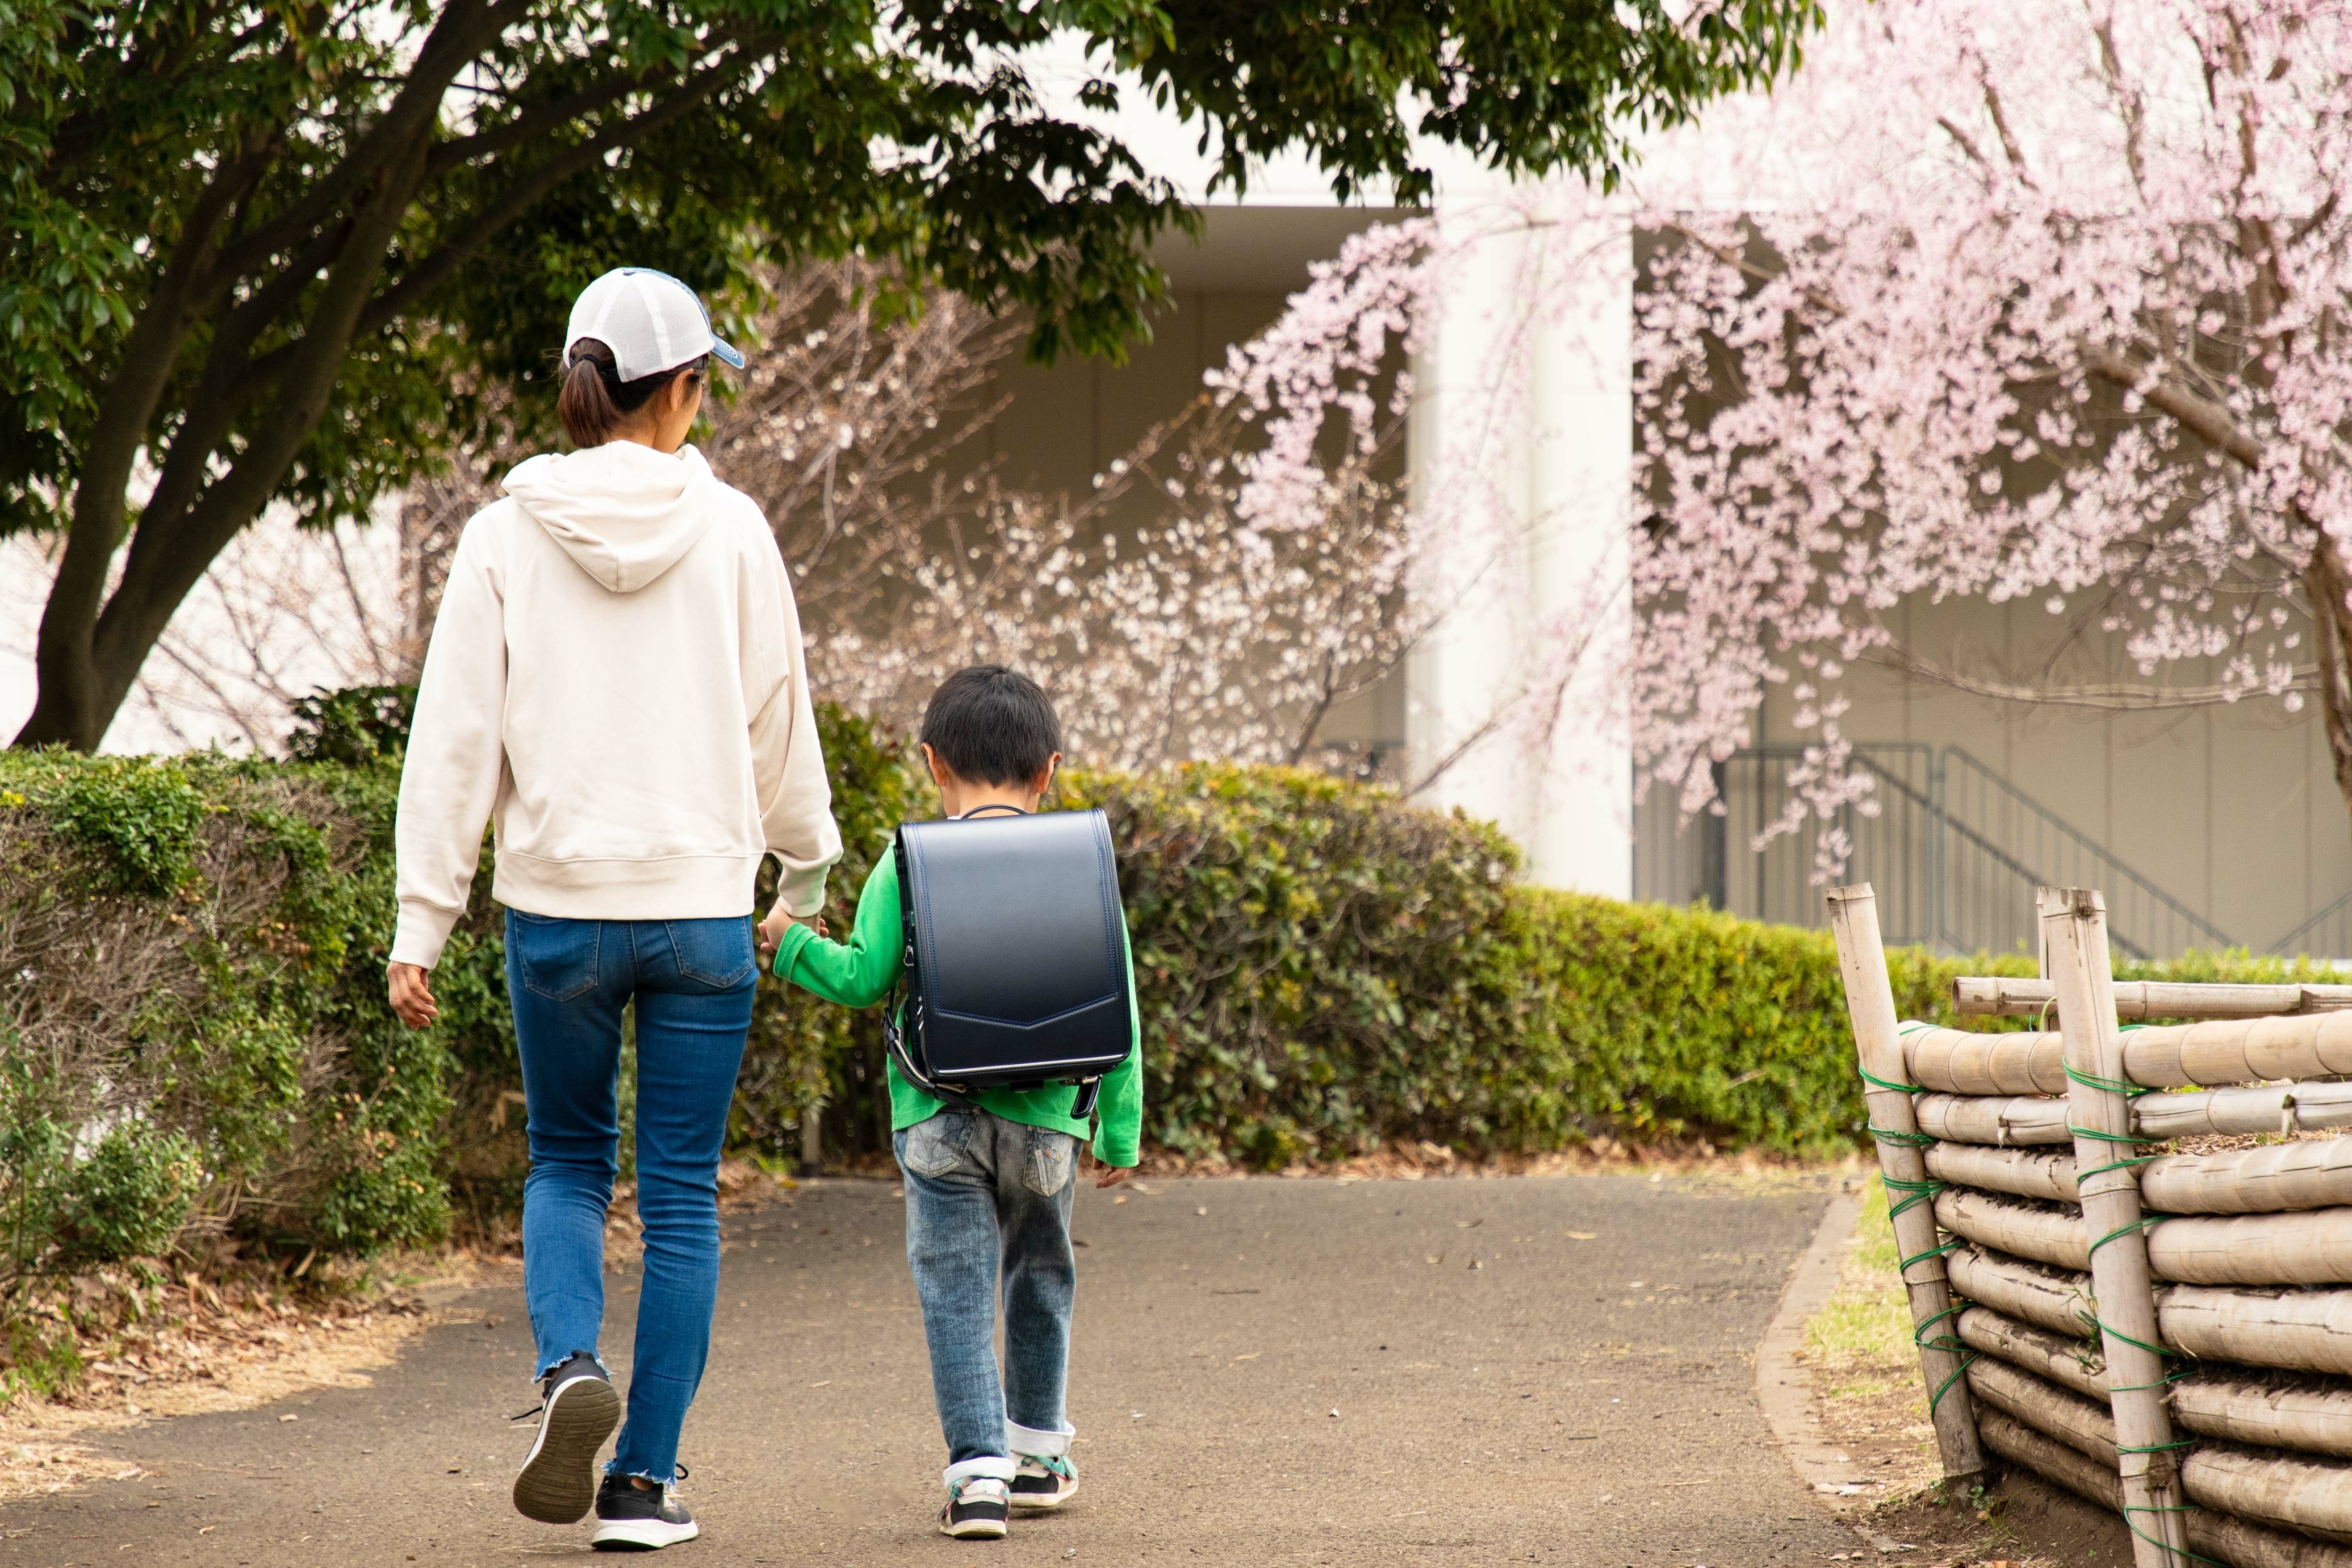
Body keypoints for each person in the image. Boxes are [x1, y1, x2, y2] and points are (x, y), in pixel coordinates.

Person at [387, 267, 841, 1551]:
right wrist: (803, 876)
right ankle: (642, 1487)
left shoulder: (505, 533)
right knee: (681, 1192)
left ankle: (567, 1367)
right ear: (684, 386)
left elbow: (454, 740)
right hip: (701, 910)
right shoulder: (733, 529)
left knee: (568, 1163)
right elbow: (779, 716)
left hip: (559, 912)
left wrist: (422, 922)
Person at [770, 665, 1142, 1540]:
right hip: (1049, 1124)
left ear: (932, 763)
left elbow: (864, 979)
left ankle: (978, 1476)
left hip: (935, 1117)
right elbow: (1118, 1002)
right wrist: (1118, 1129)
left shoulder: (908, 862)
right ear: (1048, 770)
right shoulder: (1081, 862)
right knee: (1040, 1274)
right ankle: (1039, 1457)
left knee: (956, 1290)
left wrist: (790, 947)